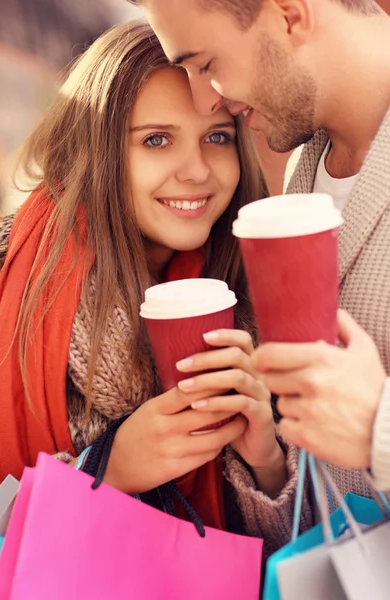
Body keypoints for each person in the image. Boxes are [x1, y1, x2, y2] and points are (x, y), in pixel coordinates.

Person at [0, 20, 299, 557]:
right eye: (156, 140)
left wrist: (266, 459)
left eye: (217, 137)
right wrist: (106, 472)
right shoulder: (3, 282)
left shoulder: (251, 297)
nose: (197, 170)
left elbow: (285, 560)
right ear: (98, 150)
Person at [131, 0, 390, 509]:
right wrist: (269, 459)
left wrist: (378, 425)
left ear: (290, 14)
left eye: (205, 65)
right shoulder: (303, 169)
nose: (205, 101)